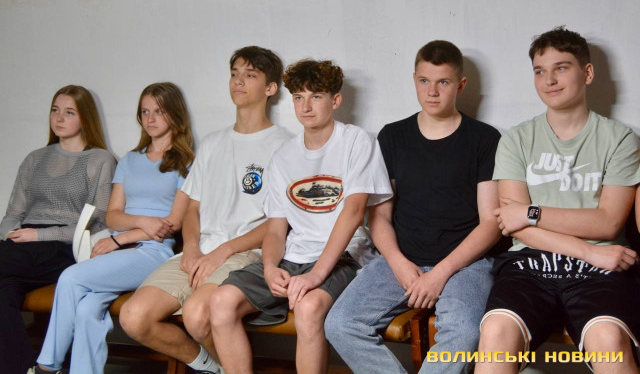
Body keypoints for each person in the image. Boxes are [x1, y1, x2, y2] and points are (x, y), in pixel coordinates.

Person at [324, 40, 502, 374]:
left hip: (465, 264)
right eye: (424, 81)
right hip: (401, 260)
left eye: (443, 82)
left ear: (461, 85)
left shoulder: (484, 138)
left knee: (464, 332)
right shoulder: (393, 136)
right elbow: (379, 217)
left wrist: (440, 273)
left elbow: (490, 223)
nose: (432, 91)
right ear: (414, 80)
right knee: (341, 324)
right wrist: (399, 264)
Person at [209, 59, 393, 374]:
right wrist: (270, 268)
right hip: (292, 257)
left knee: (308, 309)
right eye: (298, 97)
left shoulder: (357, 141)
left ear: (335, 101)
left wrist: (316, 275)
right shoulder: (283, 156)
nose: (305, 107)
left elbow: (353, 213)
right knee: (220, 302)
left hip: (344, 256)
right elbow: (276, 230)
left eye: (316, 97)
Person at [476, 27, 640, 374]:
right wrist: (588, 250)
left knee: (609, 340)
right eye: (540, 71)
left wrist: (531, 212)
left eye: (561, 68)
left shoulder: (620, 138)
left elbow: (608, 222)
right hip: (532, 264)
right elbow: (513, 224)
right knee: (495, 332)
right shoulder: (516, 139)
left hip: (600, 272)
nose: (549, 80)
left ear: (587, 73)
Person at [120, 46, 291, 374]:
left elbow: (278, 223)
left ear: (270, 88)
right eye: (234, 74)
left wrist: (222, 251)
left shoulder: (283, 144)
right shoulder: (213, 143)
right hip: (201, 251)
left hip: (247, 253)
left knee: (198, 315)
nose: (238, 81)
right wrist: (192, 247)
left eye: (250, 75)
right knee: (134, 317)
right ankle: (213, 368)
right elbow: (192, 208)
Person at [28, 82, 193, 374]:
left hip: (153, 252)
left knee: (70, 278)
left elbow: (174, 223)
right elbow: (113, 216)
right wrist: (142, 222)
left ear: (175, 115)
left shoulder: (187, 163)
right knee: (86, 309)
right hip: (119, 250)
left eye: (159, 111)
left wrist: (120, 240)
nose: (150, 118)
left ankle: (46, 367)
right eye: (145, 111)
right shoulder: (130, 160)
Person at [0, 85, 116, 374]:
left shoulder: (100, 159)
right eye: (55, 110)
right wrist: (11, 235)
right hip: (21, 246)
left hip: (66, 246)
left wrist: (39, 235)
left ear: (85, 117)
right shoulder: (34, 158)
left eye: (69, 112)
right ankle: (25, 369)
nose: (59, 118)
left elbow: (98, 223)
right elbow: (13, 213)